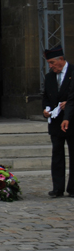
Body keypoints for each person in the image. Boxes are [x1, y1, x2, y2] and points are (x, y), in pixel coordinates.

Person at [43, 45, 74, 197]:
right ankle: (57, 188)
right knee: (57, 155)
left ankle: (73, 188)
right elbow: (46, 97)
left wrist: (68, 104)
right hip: (56, 122)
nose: (51, 66)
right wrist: (45, 110)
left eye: (52, 63)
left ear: (61, 59)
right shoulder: (49, 77)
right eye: (49, 63)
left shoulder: (72, 72)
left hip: (71, 120)